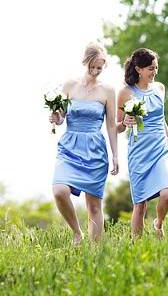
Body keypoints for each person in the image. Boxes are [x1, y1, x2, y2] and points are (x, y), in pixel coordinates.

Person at [50, 43, 119, 244]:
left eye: (100, 68)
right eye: (93, 67)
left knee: (94, 206)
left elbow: (111, 126)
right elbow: (61, 117)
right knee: (59, 191)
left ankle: (95, 254)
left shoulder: (107, 91)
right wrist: (56, 117)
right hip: (70, 146)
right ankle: (77, 232)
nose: (96, 71)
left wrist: (115, 155)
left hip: (95, 149)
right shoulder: (70, 86)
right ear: (85, 62)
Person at [116, 48, 168, 239]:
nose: (155, 72)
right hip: (139, 150)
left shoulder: (160, 88)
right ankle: (137, 245)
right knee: (140, 203)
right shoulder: (125, 93)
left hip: (160, 147)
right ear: (138, 69)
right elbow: (116, 126)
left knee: (167, 194)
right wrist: (124, 123)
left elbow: (162, 120)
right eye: (151, 68)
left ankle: (159, 223)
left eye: (156, 67)